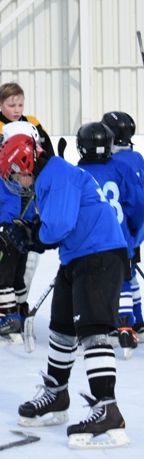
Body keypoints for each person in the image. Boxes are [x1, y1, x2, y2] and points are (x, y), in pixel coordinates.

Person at [0, 134, 130, 449]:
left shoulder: (56, 174)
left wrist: (30, 237)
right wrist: (23, 228)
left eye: (15, 173)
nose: (16, 180)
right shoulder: (50, 176)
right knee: (62, 328)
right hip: (78, 256)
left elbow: (56, 228)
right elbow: (51, 223)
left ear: (27, 163)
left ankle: (107, 409)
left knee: (94, 332)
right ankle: (57, 394)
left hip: (98, 256)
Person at [0, 82, 54, 342]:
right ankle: (3, 311)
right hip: (0, 207)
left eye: (20, 104)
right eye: (11, 105)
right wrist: (3, 163)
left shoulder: (32, 123)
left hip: (28, 210)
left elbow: (46, 157)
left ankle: (15, 309)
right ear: (0, 104)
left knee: (23, 265)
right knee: (3, 264)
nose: (17, 109)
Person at [74, 121, 144, 355]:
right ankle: (127, 324)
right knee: (124, 277)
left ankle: (98, 323)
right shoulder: (121, 168)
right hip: (120, 238)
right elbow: (136, 204)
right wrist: (134, 234)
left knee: (92, 281)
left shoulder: (78, 173)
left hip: (91, 241)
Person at [103, 111, 144, 334]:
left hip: (120, 230)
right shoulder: (136, 157)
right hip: (135, 228)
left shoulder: (112, 162)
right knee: (131, 272)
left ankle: (125, 323)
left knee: (122, 275)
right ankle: (138, 318)